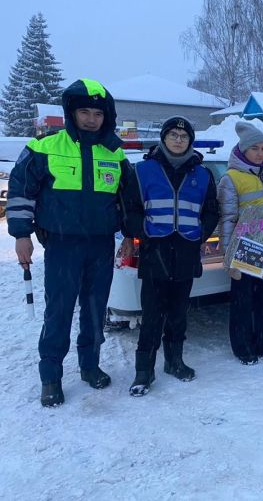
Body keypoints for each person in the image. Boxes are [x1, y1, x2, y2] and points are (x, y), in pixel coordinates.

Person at [7, 78, 131, 407]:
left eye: (97, 113)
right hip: (62, 245)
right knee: (59, 312)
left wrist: (131, 235)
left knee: (94, 311)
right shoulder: (45, 147)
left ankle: (90, 366)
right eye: (84, 112)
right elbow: (21, 192)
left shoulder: (114, 153)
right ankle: (51, 377)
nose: (91, 119)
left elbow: (129, 199)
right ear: (71, 113)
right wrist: (22, 234)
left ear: (106, 117)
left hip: (100, 245)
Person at [121, 116, 220, 396]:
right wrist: (143, 231)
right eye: (173, 134)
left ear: (190, 141)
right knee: (152, 314)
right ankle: (144, 371)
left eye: (184, 135)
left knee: (178, 313)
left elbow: (212, 209)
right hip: (156, 250)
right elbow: (130, 207)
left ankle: (175, 362)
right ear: (163, 138)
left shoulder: (202, 174)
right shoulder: (142, 170)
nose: (178, 139)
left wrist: (201, 233)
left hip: (187, 250)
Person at [218, 122, 263, 363]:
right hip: (245, 246)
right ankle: (242, 348)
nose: (261, 153)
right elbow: (227, 219)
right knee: (243, 300)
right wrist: (229, 258)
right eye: (255, 149)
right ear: (243, 150)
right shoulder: (231, 179)